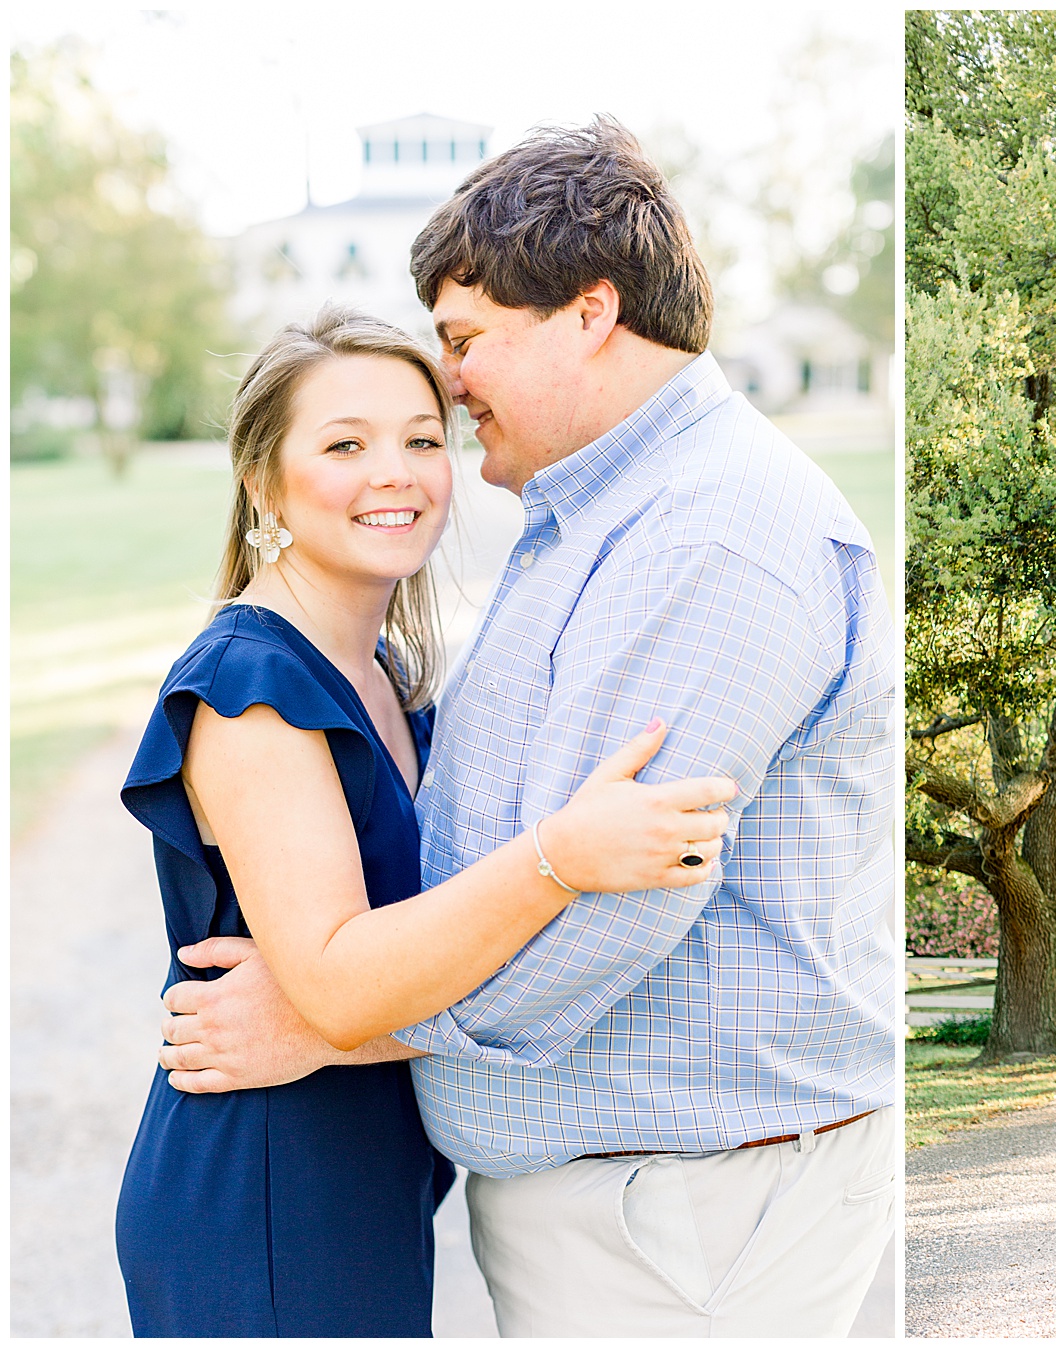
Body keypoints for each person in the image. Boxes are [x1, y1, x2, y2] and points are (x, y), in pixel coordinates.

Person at [156, 116, 897, 1336]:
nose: (448, 388)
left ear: (591, 314)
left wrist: (344, 1020)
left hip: (684, 1218)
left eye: (465, 342)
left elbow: (615, 907)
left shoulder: (706, 538)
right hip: (612, 1213)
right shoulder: (592, 514)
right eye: (345, 441)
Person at [115, 306, 735, 1336]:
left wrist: (328, 1024)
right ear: (265, 480)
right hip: (262, 1196)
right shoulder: (249, 690)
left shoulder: (385, 678)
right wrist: (561, 858)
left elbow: (390, 971)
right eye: (346, 444)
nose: (395, 471)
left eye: (421, 438)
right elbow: (346, 979)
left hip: (354, 1181)